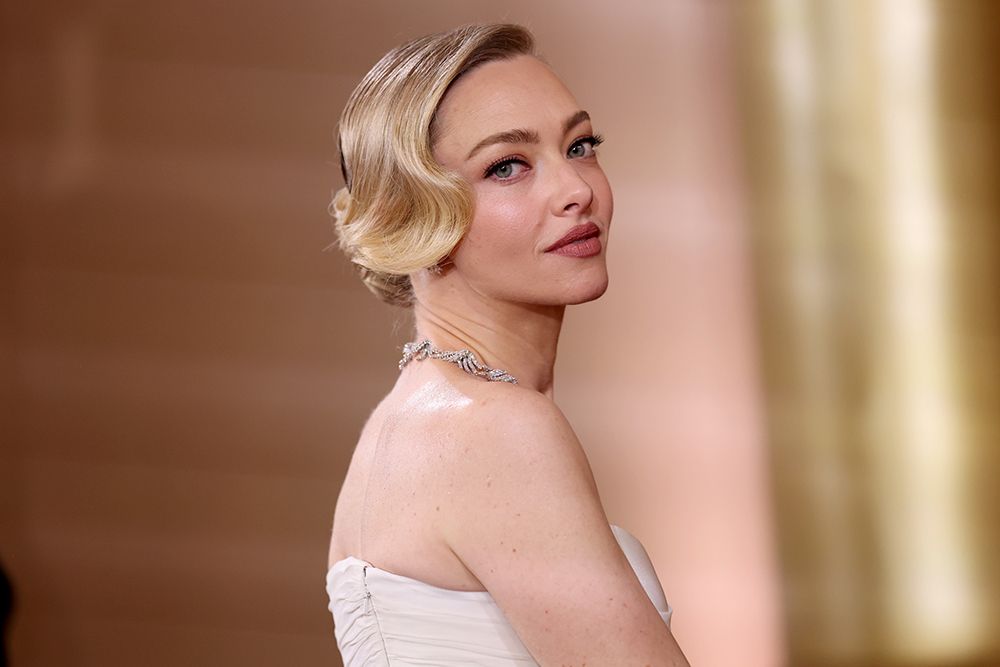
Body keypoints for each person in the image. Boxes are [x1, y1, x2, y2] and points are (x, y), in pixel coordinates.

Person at [326, 23, 689, 666]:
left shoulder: (414, 420)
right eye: (507, 166)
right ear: (411, 215)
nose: (577, 190)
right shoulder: (494, 432)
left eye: (581, 145)